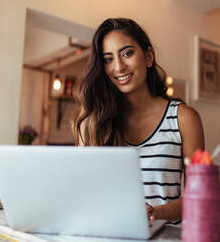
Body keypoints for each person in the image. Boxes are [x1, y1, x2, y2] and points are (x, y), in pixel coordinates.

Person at [72, 18, 204, 222]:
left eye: (127, 53)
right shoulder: (92, 124)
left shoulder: (184, 118)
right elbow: (84, 192)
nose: (119, 67)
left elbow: (198, 198)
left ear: (148, 56)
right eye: (108, 59)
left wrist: (156, 213)